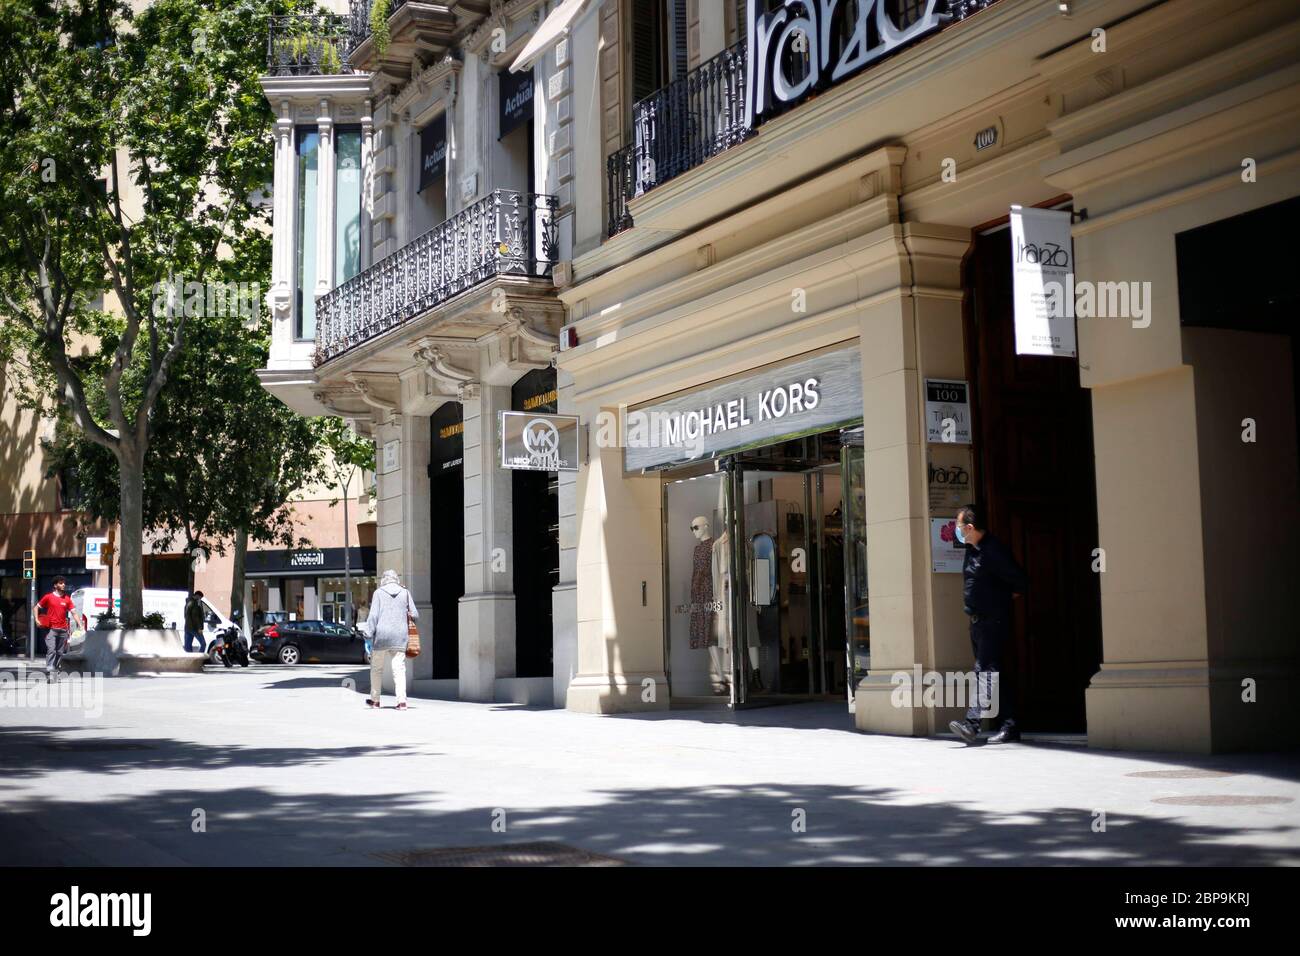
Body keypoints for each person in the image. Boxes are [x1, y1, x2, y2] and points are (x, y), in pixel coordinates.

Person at [948, 504, 1029, 745]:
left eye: (959, 527)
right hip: (976, 622)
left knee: (984, 669)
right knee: (995, 672)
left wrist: (998, 603)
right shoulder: (971, 549)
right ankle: (1010, 725)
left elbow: (1020, 582)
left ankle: (972, 724)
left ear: (970, 527)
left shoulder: (994, 551)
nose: (957, 531)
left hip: (993, 620)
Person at [365, 569, 417, 711]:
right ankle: (402, 702)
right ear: (396, 579)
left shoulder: (379, 593)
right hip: (400, 635)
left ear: (384, 579)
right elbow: (415, 614)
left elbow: (373, 615)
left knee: (376, 669)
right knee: (399, 669)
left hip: (382, 635)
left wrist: (367, 633)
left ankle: (375, 701)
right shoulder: (405, 592)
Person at [35, 576, 76, 677]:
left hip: (63, 630)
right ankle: (50, 669)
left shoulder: (67, 599)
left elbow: (74, 613)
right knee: (51, 650)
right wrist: (36, 619)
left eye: (64, 583)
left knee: (60, 652)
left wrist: (80, 625)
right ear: (55, 585)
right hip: (51, 629)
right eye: (61, 583)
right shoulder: (48, 597)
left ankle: (56, 668)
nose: (63, 585)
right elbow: (36, 607)